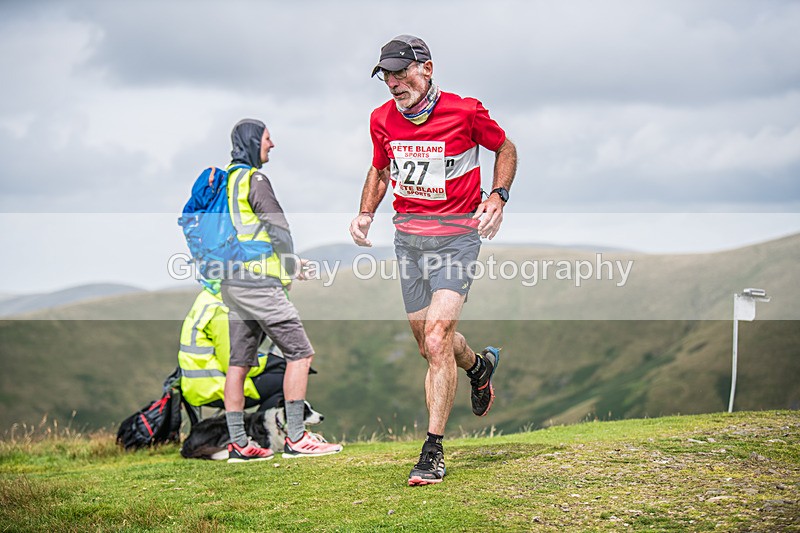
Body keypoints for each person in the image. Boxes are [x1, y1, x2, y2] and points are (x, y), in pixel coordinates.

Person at [349, 35, 518, 485]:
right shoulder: (381, 119)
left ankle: (432, 451)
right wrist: (366, 211)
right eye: (385, 74)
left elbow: (505, 148)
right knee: (430, 345)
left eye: (401, 71)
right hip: (409, 241)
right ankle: (478, 368)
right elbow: (381, 168)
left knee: (439, 338)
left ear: (427, 68)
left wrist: (498, 195)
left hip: (458, 238)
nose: (392, 82)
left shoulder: (465, 112)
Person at [220, 118, 342, 461]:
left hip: (232, 281)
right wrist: (290, 266)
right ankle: (297, 438)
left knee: (239, 362)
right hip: (260, 282)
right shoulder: (255, 179)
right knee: (301, 354)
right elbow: (278, 228)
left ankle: (238, 444)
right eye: (267, 139)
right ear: (253, 141)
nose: (271, 145)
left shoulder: (227, 181)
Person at [177, 283, 290, 417]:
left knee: (282, 369)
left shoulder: (208, 297)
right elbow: (233, 362)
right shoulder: (223, 311)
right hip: (215, 387)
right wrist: (269, 362)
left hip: (198, 384)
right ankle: (260, 432)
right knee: (287, 380)